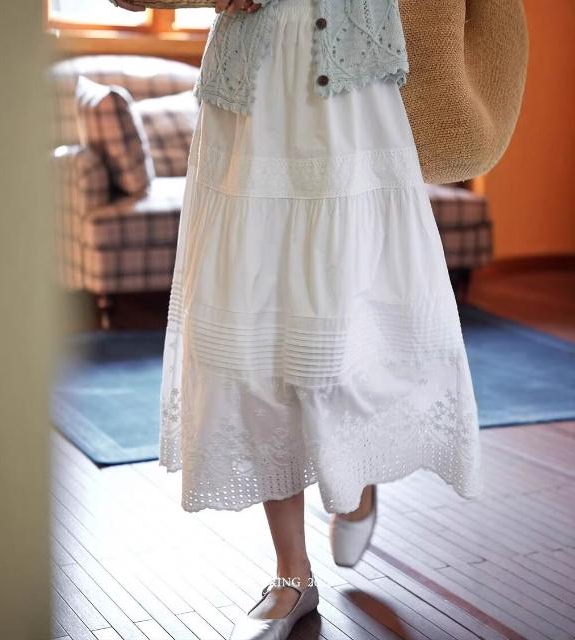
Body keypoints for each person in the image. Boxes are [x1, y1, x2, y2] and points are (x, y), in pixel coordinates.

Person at [114, 1, 483, 638]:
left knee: (344, 328)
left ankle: (355, 476)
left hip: (349, 94)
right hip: (251, 96)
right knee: (251, 347)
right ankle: (292, 574)